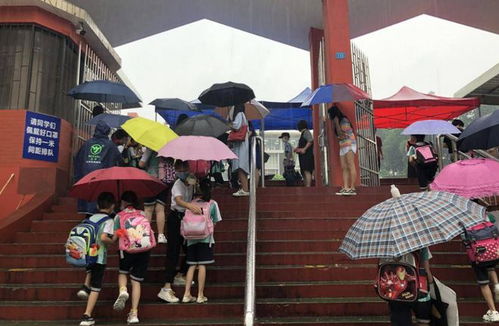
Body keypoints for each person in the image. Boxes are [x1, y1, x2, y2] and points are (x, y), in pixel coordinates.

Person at [158, 160, 200, 303]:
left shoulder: (190, 182)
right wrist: (190, 206)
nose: (183, 170)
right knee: (173, 252)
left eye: (185, 167)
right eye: (180, 168)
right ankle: (166, 287)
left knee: (190, 248)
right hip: (175, 218)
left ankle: (180, 274)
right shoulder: (177, 184)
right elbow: (179, 200)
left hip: (185, 219)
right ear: (175, 170)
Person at [112, 191, 151, 324]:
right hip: (143, 249)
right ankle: (134, 313)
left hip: (127, 250)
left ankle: (123, 290)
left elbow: (116, 236)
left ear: (123, 202)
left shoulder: (119, 216)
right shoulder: (143, 213)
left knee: (123, 272)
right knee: (136, 281)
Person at [77, 192, 116, 326]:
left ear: (98, 205)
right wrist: (114, 239)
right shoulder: (109, 220)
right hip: (99, 256)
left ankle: (84, 286)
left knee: (90, 272)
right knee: (97, 286)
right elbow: (104, 238)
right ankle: (86, 315)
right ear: (112, 206)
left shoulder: (90, 218)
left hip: (88, 254)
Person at [182, 179, 222, 303]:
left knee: (191, 265)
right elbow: (215, 221)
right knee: (202, 265)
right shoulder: (212, 203)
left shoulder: (191, 203)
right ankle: (200, 295)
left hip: (190, 239)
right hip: (205, 238)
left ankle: (186, 294)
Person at [74, 121, 121, 216]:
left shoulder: (87, 144)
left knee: (89, 198)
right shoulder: (111, 145)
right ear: (107, 132)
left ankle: (88, 217)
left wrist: (78, 176)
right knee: (102, 197)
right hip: (103, 177)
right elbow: (118, 160)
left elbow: (78, 159)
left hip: (87, 177)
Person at [386, 248, 433, 326]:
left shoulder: (389, 244)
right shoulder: (420, 242)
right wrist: (431, 285)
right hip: (419, 288)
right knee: (423, 321)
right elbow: (426, 269)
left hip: (398, 291)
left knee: (400, 320)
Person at [139, 148, 169, 244]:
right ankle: (160, 235)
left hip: (151, 179)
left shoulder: (150, 147)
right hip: (164, 180)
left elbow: (141, 164)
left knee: (148, 209)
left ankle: (146, 234)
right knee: (160, 209)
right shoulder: (168, 147)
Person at [328, 105, 357, 195]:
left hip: (349, 144)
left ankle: (352, 187)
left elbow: (342, 135)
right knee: (344, 167)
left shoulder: (344, 120)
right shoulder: (336, 123)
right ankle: (346, 187)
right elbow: (339, 136)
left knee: (350, 165)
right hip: (343, 146)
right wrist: (336, 124)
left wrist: (336, 123)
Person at [228, 104, 250, 196]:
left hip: (241, 145)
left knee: (240, 167)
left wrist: (229, 121)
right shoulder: (242, 115)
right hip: (240, 144)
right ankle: (244, 188)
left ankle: (245, 189)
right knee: (240, 167)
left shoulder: (240, 114)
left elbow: (236, 126)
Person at [294, 120, 314, 187]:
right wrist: (297, 148)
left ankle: (308, 185)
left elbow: (310, 141)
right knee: (303, 171)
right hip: (303, 156)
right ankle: (306, 184)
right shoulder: (303, 133)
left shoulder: (306, 132)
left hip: (307, 155)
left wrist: (304, 149)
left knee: (307, 170)